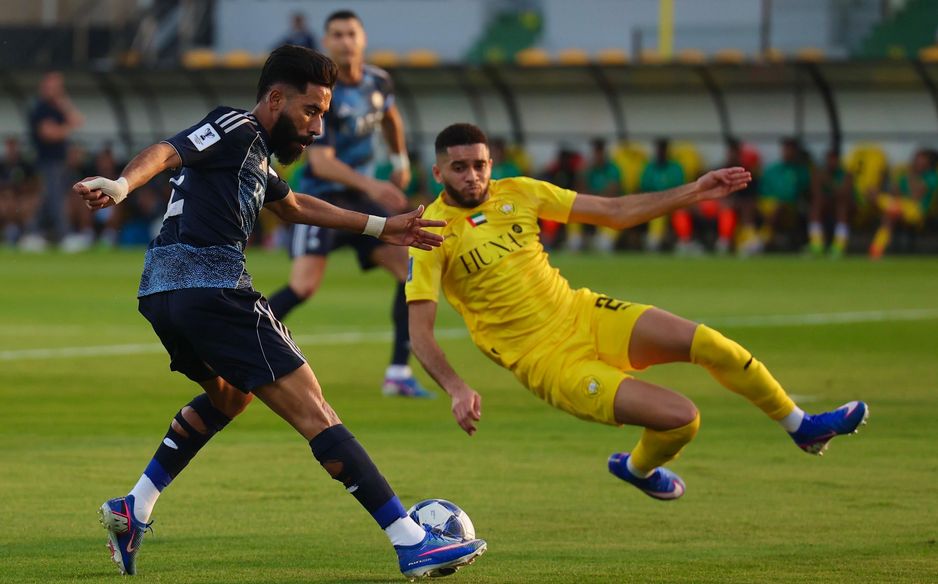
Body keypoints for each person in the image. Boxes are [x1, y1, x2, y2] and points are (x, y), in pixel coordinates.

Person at [74, 46, 485, 579]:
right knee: (316, 411)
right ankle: (411, 541)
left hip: (161, 294)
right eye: (311, 111)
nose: (316, 127)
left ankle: (135, 507)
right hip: (214, 287)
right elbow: (168, 150)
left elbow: (293, 206)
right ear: (274, 99)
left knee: (229, 396)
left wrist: (383, 227)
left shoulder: (252, 156)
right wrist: (123, 185)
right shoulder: (235, 125)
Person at [407, 123, 868, 501]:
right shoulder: (428, 231)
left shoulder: (520, 192)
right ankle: (637, 468)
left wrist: (695, 190)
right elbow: (420, 333)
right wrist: (456, 387)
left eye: (480, 164)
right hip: (548, 361)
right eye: (459, 167)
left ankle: (801, 425)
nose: (472, 175)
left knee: (709, 343)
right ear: (438, 171)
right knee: (683, 419)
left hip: (584, 312)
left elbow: (614, 211)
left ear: (492, 164)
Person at [266, 11, 431, 398]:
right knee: (303, 287)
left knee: (410, 272)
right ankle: (238, 345)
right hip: (319, 201)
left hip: (360, 197)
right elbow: (322, 162)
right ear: (327, 42)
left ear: (363, 38)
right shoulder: (323, 95)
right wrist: (373, 185)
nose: (344, 41)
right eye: (336, 35)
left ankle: (397, 373)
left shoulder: (378, 81)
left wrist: (401, 159)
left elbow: (391, 117)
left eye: (350, 34)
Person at [21, 71, 84, 251]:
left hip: (59, 161)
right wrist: (68, 128)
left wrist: (63, 102)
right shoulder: (41, 108)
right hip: (47, 161)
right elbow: (48, 133)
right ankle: (64, 235)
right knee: (55, 199)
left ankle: (31, 233)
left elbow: (76, 118)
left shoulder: (56, 107)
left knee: (49, 198)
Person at [869, 148, 937, 259]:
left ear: (929, 163)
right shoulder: (905, 176)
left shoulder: (932, 177)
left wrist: (911, 177)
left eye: (921, 159)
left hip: (918, 212)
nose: (917, 161)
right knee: (889, 216)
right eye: (916, 158)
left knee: (890, 208)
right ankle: (876, 250)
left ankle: (879, 200)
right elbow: (895, 193)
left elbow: (916, 197)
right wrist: (896, 187)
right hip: (901, 208)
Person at [564, 138, 621, 253]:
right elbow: (579, 189)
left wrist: (595, 196)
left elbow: (613, 190)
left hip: (607, 207)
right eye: (596, 152)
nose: (598, 155)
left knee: (605, 243)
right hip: (590, 205)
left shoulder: (612, 168)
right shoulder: (588, 169)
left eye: (600, 151)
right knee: (572, 210)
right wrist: (583, 172)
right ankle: (575, 239)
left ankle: (604, 240)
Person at [755, 137, 811, 252]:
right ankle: (751, 239)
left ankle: (762, 240)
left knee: (779, 207)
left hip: (790, 208)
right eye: (785, 149)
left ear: (795, 152)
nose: (787, 152)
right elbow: (761, 192)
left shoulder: (801, 171)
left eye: (790, 149)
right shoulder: (771, 170)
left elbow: (804, 193)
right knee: (749, 205)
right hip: (766, 204)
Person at [638, 138, 684, 251]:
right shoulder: (649, 168)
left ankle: (684, 241)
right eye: (659, 149)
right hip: (652, 204)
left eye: (663, 149)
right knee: (658, 211)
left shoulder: (675, 168)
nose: (661, 152)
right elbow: (643, 189)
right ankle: (654, 240)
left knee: (680, 212)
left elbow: (681, 189)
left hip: (674, 204)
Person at [808, 149, 853, 258]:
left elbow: (844, 194)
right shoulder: (819, 173)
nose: (831, 162)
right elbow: (816, 193)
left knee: (842, 207)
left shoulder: (846, 175)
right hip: (826, 206)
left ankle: (839, 246)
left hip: (845, 207)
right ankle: (816, 245)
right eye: (829, 159)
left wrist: (828, 183)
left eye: (834, 159)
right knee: (816, 206)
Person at [0, 136, 39, 245]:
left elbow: (35, 184)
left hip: (23, 197)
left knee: (26, 205)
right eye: (9, 147)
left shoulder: (25, 165)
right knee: (6, 202)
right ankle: (11, 231)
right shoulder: (2, 164)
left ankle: (29, 234)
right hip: (6, 197)